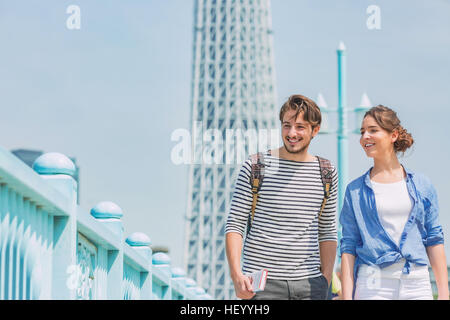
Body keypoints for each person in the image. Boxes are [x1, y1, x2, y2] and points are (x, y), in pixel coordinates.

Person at [225, 94, 338, 300]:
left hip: (310, 285)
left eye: (300, 127)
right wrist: (236, 275)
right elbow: (235, 224)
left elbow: (327, 230)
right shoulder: (255, 166)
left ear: (315, 130)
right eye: (287, 126)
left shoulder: (327, 172)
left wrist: (326, 278)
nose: (292, 133)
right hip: (261, 285)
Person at [340, 105, 449, 300]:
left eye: (373, 130)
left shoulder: (422, 185)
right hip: (372, 284)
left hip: (417, 283)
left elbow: (434, 238)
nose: (365, 136)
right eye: (362, 131)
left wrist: (444, 293)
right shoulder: (355, 191)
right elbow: (348, 247)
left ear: (393, 135)